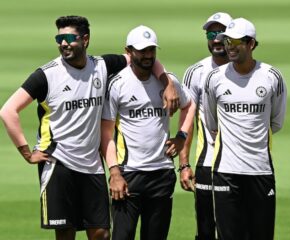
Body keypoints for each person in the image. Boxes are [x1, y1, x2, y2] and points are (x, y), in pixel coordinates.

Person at [0, 16, 179, 240]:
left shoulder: (102, 66)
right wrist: (27, 152)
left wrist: (167, 83)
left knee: (102, 234)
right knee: (66, 234)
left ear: (85, 40)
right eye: (59, 38)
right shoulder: (46, 75)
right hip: (59, 165)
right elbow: (8, 111)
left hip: (93, 166)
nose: (63, 43)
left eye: (69, 38)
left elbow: (144, 58)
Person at [100, 25, 193, 240]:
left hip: (162, 173)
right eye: (142, 51)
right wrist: (114, 173)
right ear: (129, 51)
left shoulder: (169, 81)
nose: (148, 56)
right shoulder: (118, 84)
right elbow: (106, 134)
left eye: (151, 50)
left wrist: (181, 137)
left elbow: (190, 106)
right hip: (129, 174)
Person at [202, 17, 287, 240]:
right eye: (227, 41)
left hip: (260, 171)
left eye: (236, 41)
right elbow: (212, 124)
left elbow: (275, 122)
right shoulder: (214, 78)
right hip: (225, 171)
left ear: (251, 44)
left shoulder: (271, 77)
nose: (229, 46)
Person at [178, 12, 232, 240]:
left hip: (244, 166)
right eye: (212, 33)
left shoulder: (249, 71)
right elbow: (187, 119)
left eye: (222, 32)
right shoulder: (196, 72)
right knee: (206, 231)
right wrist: (184, 164)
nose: (217, 39)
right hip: (207, 163)